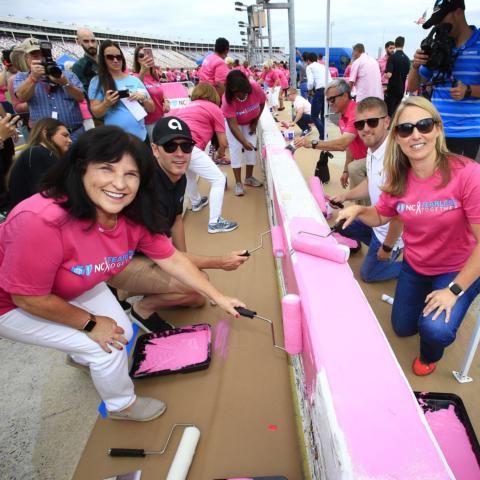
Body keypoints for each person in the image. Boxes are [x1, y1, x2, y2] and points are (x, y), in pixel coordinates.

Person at [0, 126, 245, 421]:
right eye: (106, 169)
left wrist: (220, 297)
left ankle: (79, 354)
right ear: (80, 169)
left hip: (72, 284)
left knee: (122, 331)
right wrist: (89, 324)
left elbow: (173, 260)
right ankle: (121, 405)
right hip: (12, 304)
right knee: (109, 345)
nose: (120, 184)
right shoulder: (41, 220)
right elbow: (28, 298)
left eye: (131, 174)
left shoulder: (132, 215)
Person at [336, 96, 480, 376]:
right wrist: (358, 209)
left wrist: (453, 291)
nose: (415, 134)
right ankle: (426, 300)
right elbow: (381, 215)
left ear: (437, 129)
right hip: (415, 265)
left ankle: (430, 355)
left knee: (434, 330)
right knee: (402, 328)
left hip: (457, 269)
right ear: (397, 138)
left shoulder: (469, 175)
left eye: (424, 125)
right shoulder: (398, 176)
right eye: (405, 129)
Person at [108, 117, 248, 330]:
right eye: (170, 146)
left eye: (186, 146)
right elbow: (167, 255)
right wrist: (219, 261)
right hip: (119, 262)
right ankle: (142, 308)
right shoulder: (146, 188)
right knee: (195, 288)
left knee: (197, 293)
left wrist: (188, 264)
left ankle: (125, 292)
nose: (180, 153)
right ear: (155, 149)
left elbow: (176, 220)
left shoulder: (177, 176)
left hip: (145, 254)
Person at [330, 97, 403, 282]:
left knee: (368, 275)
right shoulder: (373, 148)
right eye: (360, 124)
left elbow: (398, 216)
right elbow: (371, 183)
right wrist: (345, 196)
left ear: (386, 121)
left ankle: (408, 263)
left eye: (372, 122)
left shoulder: (395, 159)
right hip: (378, 223)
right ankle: (375, 245)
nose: (365, 128)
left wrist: (386, 247)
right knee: (339, 226)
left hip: (392, 232)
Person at [407, 0, 479, 160]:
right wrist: (415, 66)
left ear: (458, 13)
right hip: (436, 132)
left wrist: (468, 90)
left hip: (470, 134)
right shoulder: (438, 46)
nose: (439, 25)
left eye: (441, 20)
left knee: (465, 183)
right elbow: (412, 86)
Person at [168, 83, 238, 233]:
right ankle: (215, 222)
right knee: (218, 179)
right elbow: (223, 141)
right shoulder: (214, 108)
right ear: (212, 95)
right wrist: (220, 153)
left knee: (190, 174)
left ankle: (196, 202)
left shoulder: (186, 106)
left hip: (171, 148)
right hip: (190, 147)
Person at [294, 79, 369, 202]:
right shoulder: (342, 117)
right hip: (362, 164)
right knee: (357, 200)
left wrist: (311, 143)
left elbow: (342, 144)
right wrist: (345, 170)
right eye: (327, 100)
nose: (329, 103)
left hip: (372, 163)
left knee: (365, 202)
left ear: (345, 95)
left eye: (332, 99)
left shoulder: (356, 113)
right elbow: (350, 146)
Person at [14, 38, 86, 142]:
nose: (41, 58)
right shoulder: (22, 77)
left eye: (43, 54)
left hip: (74, 134)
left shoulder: (68, 75)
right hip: (45, 138)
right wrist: (33, 78)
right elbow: (22, 96)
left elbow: (81, 97)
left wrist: (65, 83)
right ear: (27, 58)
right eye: (35, 55)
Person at [88, 40, 155, 143]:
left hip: (140, 137)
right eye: (110, 57)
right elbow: (96, 112)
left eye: (118, 57)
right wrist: (106, 103)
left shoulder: (135, 80)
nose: (115, 60)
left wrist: (144, 98)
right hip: (116, 141)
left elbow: (151, 108)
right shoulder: (97, 82)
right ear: (103, 59)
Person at [8, 118, 71, 209]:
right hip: (30, 215)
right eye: (65, 135)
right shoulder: (38, 153)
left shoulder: (38, 153)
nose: (70, 140)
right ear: (45, 134)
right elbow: (48, 195)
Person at [222, 70, 266, 197]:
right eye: (236, 92)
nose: (241, 94)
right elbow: (233, 125)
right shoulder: (227, 99)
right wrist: (243, 142)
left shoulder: (255, 87)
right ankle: (238, 183)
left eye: (243, 90)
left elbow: (262, 104)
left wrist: (255, 121)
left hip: (250, 121)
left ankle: (249, 177)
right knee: (235, 149)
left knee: (251, 147)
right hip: (235, 124)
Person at [132, 45, 170, 141]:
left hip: (161, 118)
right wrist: (142, 72)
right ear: (136, 59)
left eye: (147, 54)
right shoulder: (134, 77)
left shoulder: (155, 75)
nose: (145, 58)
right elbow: (135, 91)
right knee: (155, 149)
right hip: (147, 122)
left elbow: (161, 93)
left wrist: (166, 102)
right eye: (141, 55)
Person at [306, 52, 331, 139]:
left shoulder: (309, 67)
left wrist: (309, 91)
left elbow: (310, 82)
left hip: (320, 90)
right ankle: (323, 135)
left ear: (308, 60)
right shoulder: (324, 66)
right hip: (329, 90)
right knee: (324, 115)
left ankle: (324, 135)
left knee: (314, 116)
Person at [384, 36, 410, 117]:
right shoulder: (407, 59)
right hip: (401, 89)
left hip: (392, 89)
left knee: (389, 112)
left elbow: (389, 75)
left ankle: (389, 128)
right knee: (397, 112)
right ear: (403, 45)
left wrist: (385, 74)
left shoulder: (392, 57)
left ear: (395, 44)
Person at [72, 28, 98, 94]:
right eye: (86, 41)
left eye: (93, 41)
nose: (91, 45)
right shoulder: (78, 66)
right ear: (78, 42)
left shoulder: (108, 59)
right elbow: (85, 92)